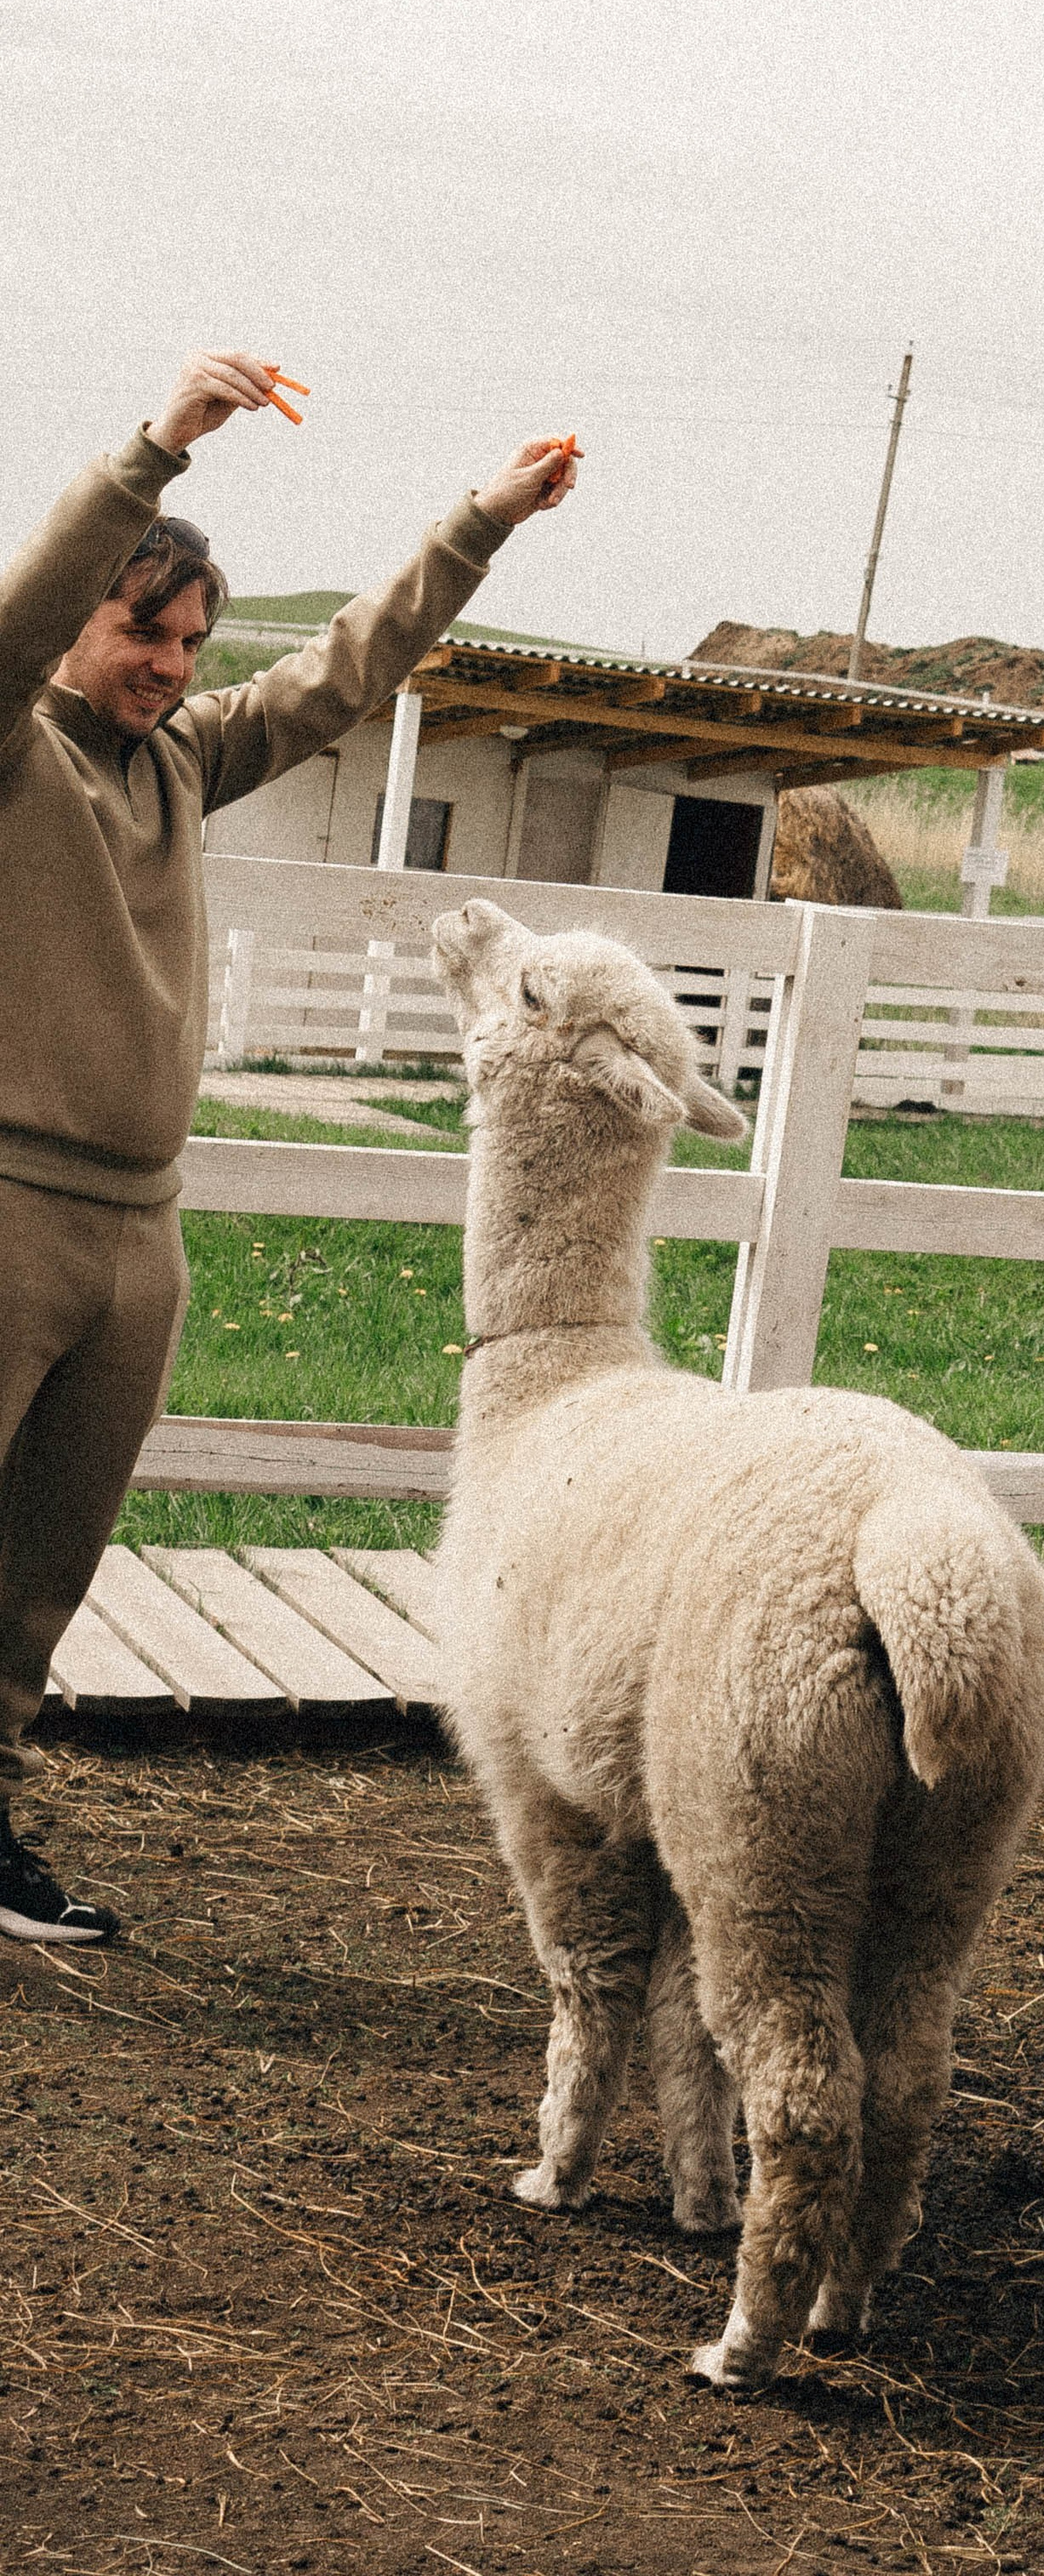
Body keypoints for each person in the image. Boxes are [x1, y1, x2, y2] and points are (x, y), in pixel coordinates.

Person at [0, 354, 581, 1942]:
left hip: (140, 1232)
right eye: (143, 632)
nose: (170, 667)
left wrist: (480, 522)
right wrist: (157, 450)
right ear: (74, 625)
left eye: (190, 642)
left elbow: (345, 670)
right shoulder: (10, 750)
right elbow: (27, 597)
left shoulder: (183, 760)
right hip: (5, 1211)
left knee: (37, 1579)